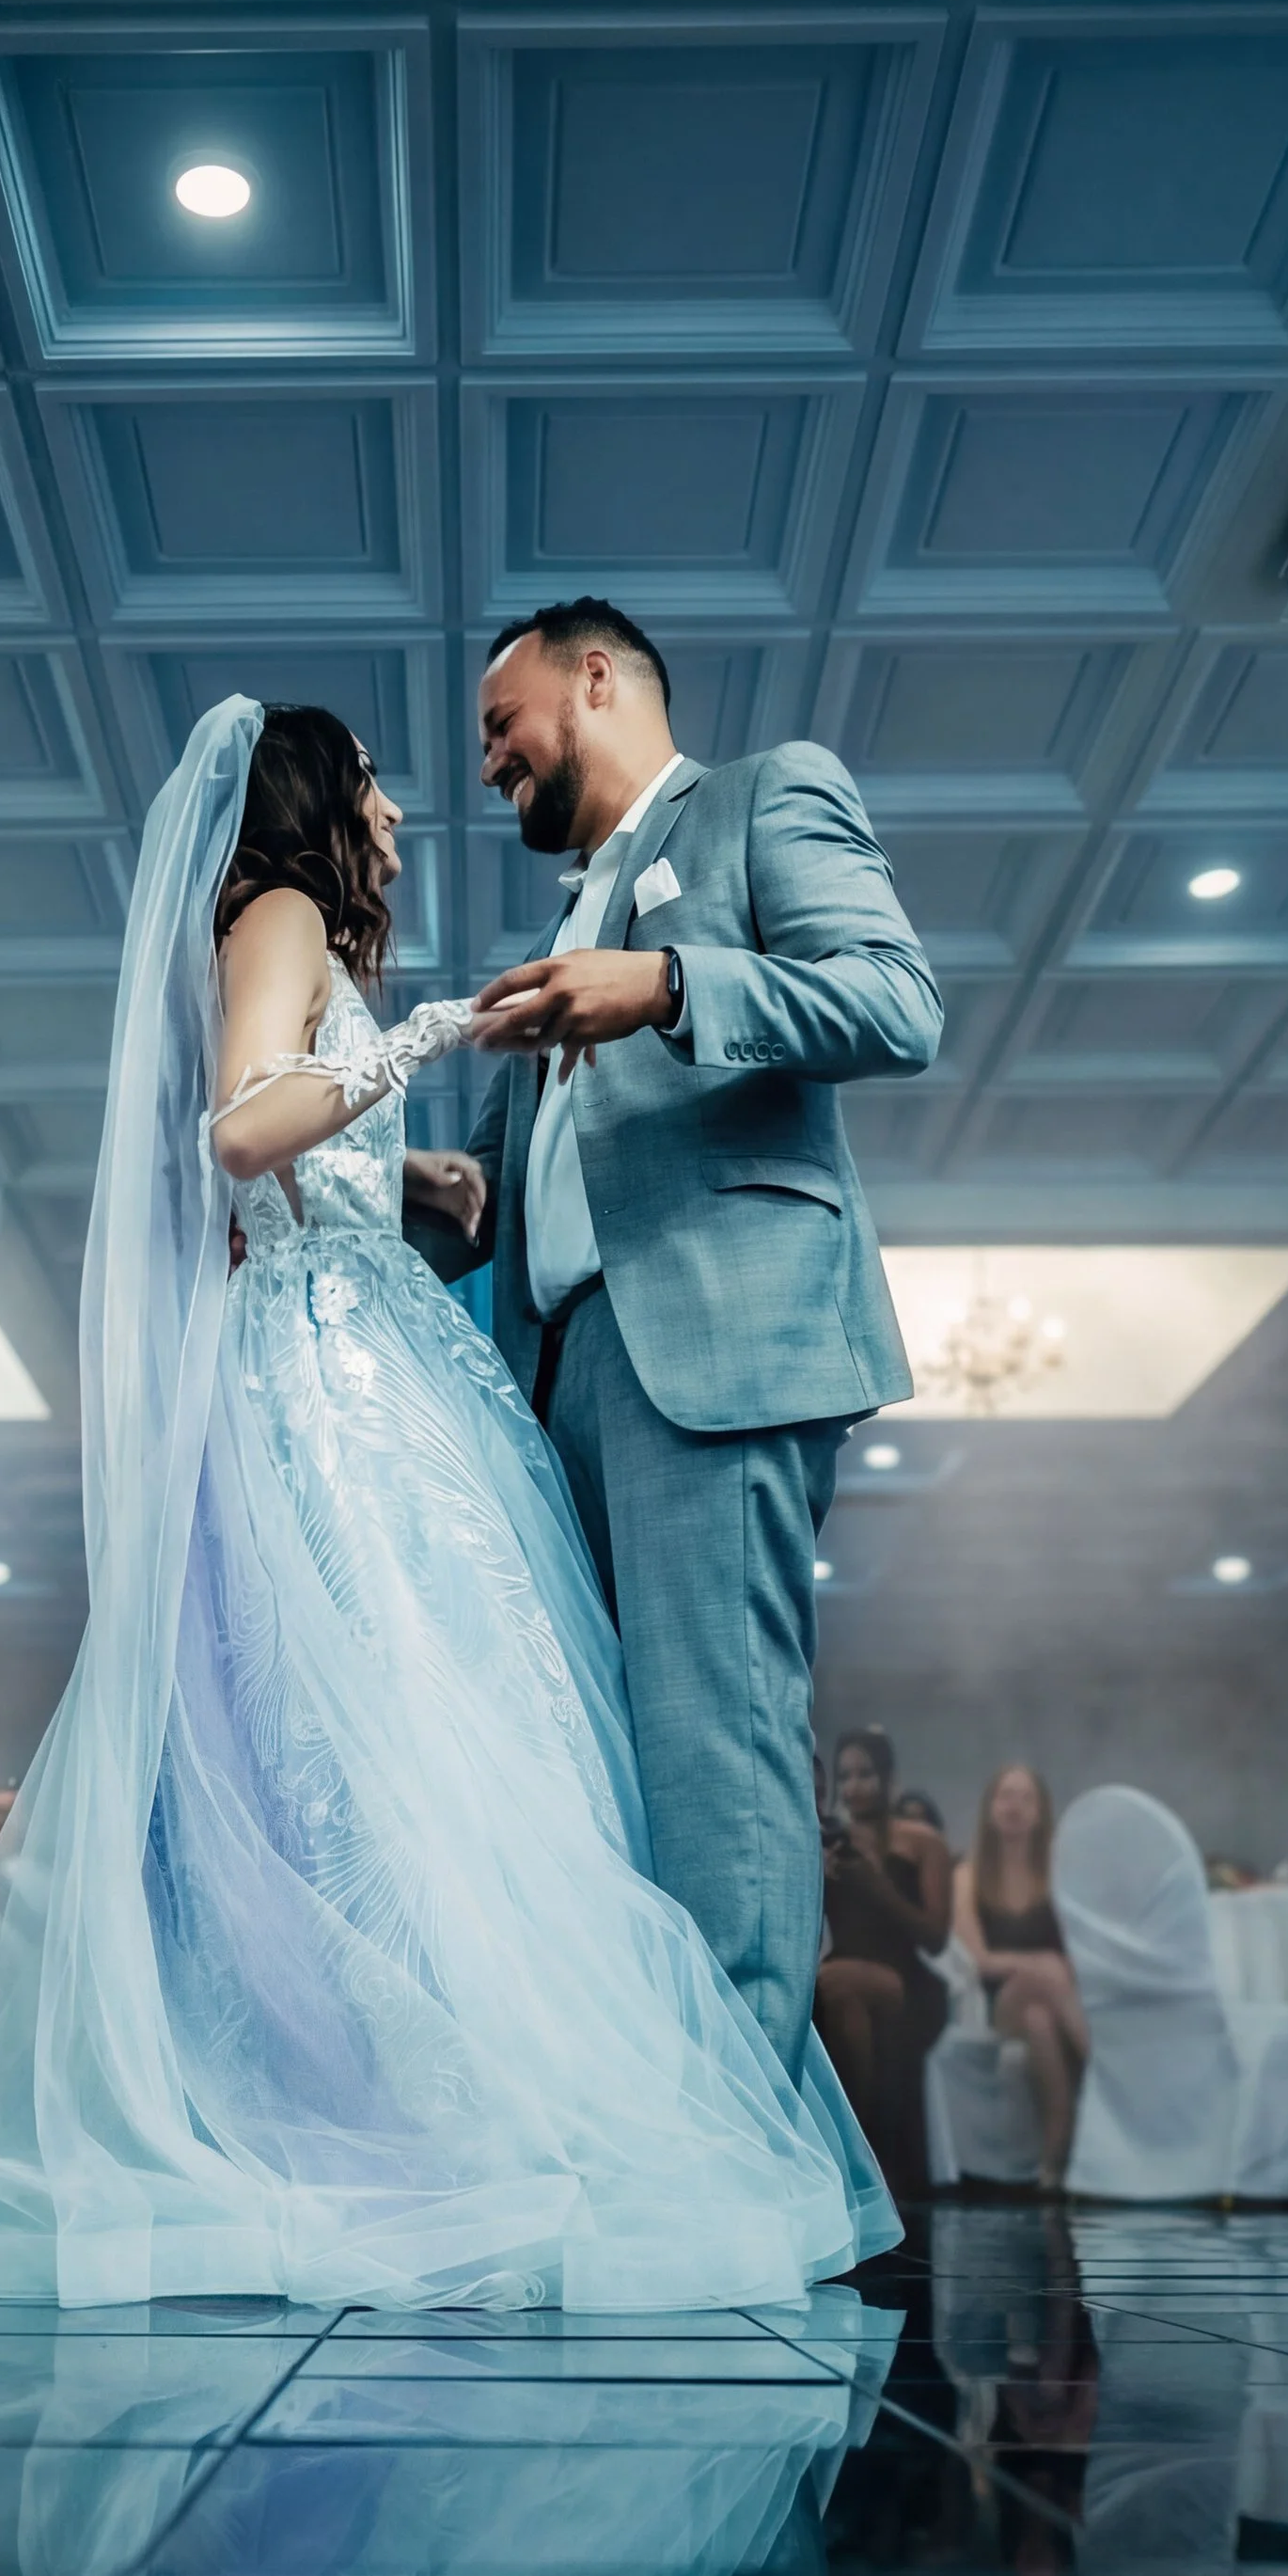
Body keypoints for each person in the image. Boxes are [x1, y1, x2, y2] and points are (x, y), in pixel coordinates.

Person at [0, 694, 893, 2312]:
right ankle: (416, 2124)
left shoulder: (311, 945)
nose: (403, 808)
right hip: (327, 1375)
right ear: (316, 798)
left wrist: (412, 1173)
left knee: (419, 1748)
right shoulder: (279, 910)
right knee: (385, 1745)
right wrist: (434, 1041)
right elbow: (240, 1125)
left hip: (375, 1348)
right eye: (375, 780)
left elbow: (298, 1132)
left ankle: (422, 2115)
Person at [429, 597, 938, 2088]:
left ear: (595, 678)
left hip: (713, 1350)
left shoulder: (769, 794)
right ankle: (648, 2114)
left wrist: (665, 983)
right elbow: (486, 1194)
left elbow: (898, 1000)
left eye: (499, 726)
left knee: (715, 1747)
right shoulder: (561, 926)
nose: (489, 764)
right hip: (562, 1374)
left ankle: (745, 2161)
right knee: (601, 1765)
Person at [815, 1728, 950, 2201]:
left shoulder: (921, 1842)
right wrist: (821, 1873)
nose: (854, 1787)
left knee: (835, 1983)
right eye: (846, 1775)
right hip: (845, 1973)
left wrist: (877, 1885)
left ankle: (858, 2154)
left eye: (866, 1774)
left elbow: (935, 1937)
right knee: (841, 1996)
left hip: (908, 1980)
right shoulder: (829, 1838)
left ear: (888, 1777)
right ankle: (864, 2155)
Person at [952, 1762, 1090, 2189]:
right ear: (990, 1808)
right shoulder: (968, 1876)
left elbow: (1083, 1950)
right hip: (998, 2004)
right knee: (1041, 1981)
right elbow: (979, 1959)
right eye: (1005, 1796)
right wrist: (1041, 1966)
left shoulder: (1059, 1875)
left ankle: (1054, 2159)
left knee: (1040, 2021)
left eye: (1026, 1797)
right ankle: (1100, 2063)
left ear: (1041, 1811)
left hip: (1050, 2003)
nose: (1014, 1806)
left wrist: (1053, 1970)